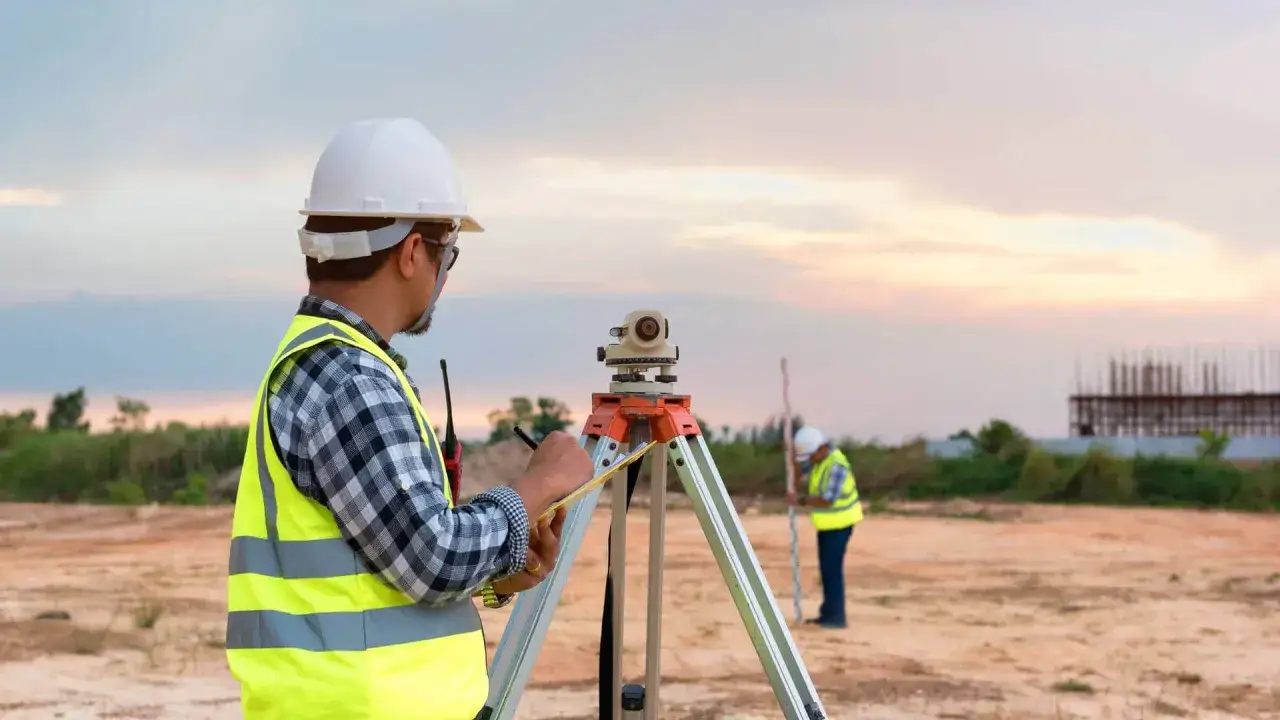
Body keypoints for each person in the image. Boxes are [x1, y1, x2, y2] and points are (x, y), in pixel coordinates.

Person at [224, 117, 595, 720]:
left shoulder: (329, 365)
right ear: (413, 252)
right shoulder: (350, 378)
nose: (445, 273)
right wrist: (537, 487)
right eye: (449, 252)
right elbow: (433, 558)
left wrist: (499, 574)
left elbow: (383, 565)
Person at [789, 426, 862, 629]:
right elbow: (798, 477)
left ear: (821, 448)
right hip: (827, 525)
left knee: (832, 570)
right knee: (827, 570)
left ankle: (836, 617)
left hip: (841, 524)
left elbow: (828, 500)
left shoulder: (836, 465)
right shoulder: (818, 461)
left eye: (810, 456)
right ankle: (827, 614)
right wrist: (792, 460)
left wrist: (801, 500)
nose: (809, 460)